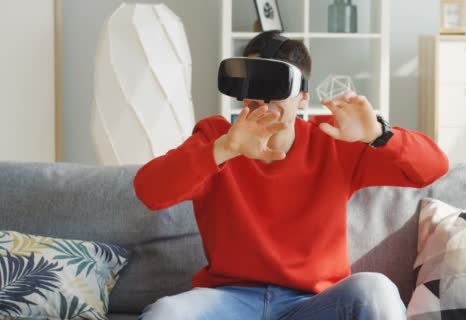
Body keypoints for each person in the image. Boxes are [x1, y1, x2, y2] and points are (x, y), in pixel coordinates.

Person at [134, 31, 449, 320]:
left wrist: (379, 133)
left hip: (313, 305)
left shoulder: (334, 139)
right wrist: (226, 148)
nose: (262, 98)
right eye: (253, 84)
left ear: (302, 97)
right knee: (167, 312)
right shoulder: (216, 137)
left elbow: (433, 168)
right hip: (230, 300)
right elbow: (149, 191)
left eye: (275, 85)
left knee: (375, 289)